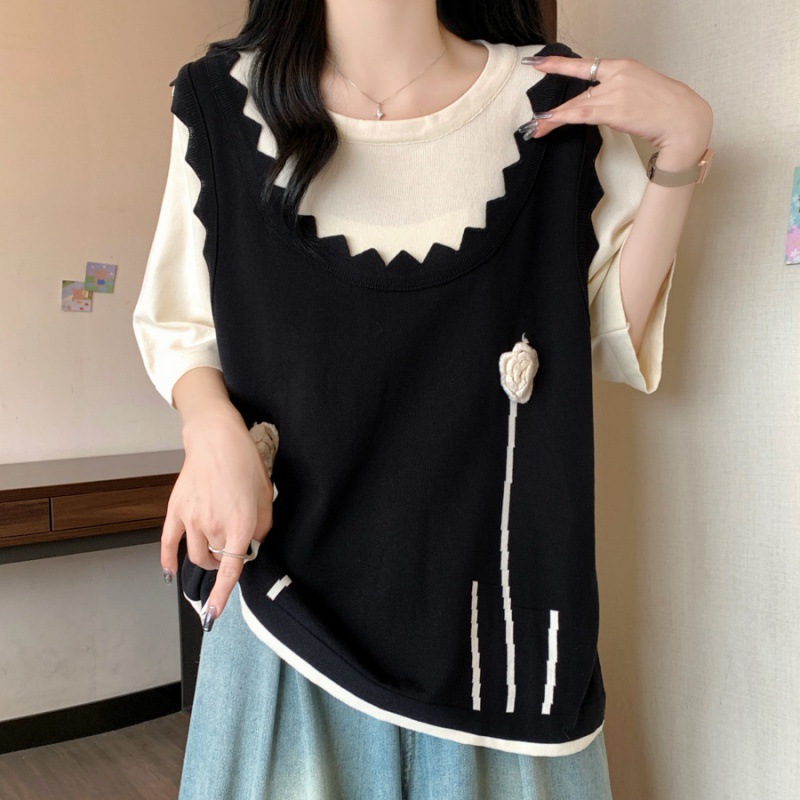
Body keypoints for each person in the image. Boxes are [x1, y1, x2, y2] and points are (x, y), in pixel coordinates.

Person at [133, 1, 713, 797]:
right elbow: (181, 327)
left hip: (497, 650)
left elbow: (604, 330)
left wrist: (681, 147)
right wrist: (209, 431)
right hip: (283, 621)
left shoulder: (551, 100)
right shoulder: (218, 100)